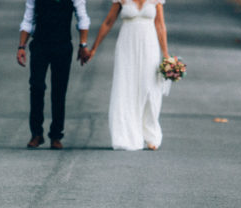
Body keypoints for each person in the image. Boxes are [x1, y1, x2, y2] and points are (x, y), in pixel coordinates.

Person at [83, 0, 169, 151]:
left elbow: (160, 25)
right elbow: (108, 22)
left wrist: (166, 55)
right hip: (127, 46)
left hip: (149, 45)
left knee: (150, 87)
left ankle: (150, 133)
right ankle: (125, 134)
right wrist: (94, 48)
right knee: (125, 87)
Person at [17, 0, 91, 150]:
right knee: (36, 86)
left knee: (59, 90)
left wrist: (83, 44)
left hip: (62, 45)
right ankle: (36, 133)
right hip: (40, 44)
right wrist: (21, 46)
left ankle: (56, 135)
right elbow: (28, 18)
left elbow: (82, 17)